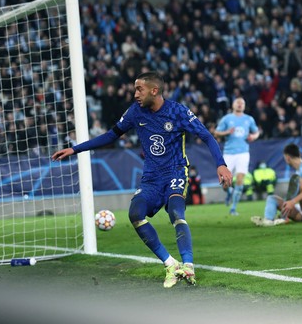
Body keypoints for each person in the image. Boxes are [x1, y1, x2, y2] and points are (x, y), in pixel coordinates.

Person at [51, 71, 232, 288]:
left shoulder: (177, 111)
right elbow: (111, 135)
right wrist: (75, 149)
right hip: (151, 178)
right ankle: (170, 264)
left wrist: (220, 164)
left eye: (139, 89)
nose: (135, 93)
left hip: (175, 171)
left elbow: (207, 136)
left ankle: (189, 265)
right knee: (135, 214)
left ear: (154, 91)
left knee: (175, 211)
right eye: (135, 89)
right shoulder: (135, 112)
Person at [251, 143, 302, 226]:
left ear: (287, 157)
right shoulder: (298, 171)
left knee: (296, 179)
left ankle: (283, 217)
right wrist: (290, 204)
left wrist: (292, 202)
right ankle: (268, 220)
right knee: (272, 199)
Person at [214, 98, 260, 215]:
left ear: (244, 106)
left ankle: (233, 208)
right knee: (225, 182)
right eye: (237, 102)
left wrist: (254, 137)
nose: (240, 104)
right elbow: (216, 132)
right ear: (233, 105)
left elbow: (256, 132)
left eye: (242, 103)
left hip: (243, 153)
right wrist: (227, 132)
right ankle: (229, 192)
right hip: (229, 153)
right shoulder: (227, 118)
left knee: (240, 179)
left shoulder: (249, 119)